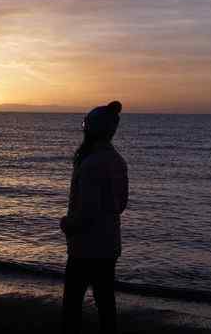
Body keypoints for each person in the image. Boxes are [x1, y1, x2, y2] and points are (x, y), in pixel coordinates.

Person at [60, 101, 128, 334]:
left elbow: (86, 212)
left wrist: (67, 224)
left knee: (72, 305)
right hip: (108, 245)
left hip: (85, 247)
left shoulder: (90, 164)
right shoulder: (117, 160)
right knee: (106, 303)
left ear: (91, 130)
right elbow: (121, 204)